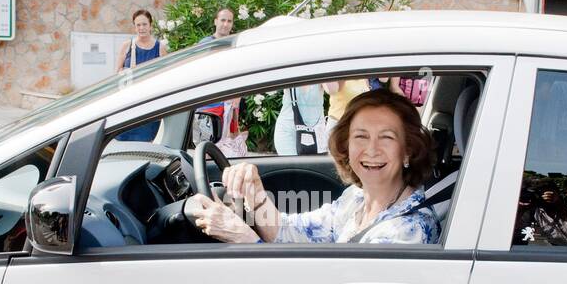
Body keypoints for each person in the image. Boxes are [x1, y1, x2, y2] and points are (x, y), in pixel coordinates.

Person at [187, 88, 439, 244]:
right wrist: (256, 197)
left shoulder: (406, 230)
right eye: (361, 136)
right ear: (346, 145)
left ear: (408, 150)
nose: (371, 150)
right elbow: (295, 233)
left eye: (386, 137)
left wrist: (244, 237)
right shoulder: (358, 199)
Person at [115, 8, 169, 141]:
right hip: (129, 103)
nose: (141, 28)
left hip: (149, 103)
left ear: (150, 25)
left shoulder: (159, 47)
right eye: (138, 25)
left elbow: (166, 75)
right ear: (134, 27)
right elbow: (118, 72)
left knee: (146, 141)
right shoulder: (127, 46)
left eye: (144, 24)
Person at [272, 82, 327, 155]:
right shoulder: (292, 72)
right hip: (287, 129)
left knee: (311, 165)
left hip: (315, 132)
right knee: (291, 165)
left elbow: (333, 90)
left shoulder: (318, 74)